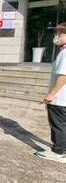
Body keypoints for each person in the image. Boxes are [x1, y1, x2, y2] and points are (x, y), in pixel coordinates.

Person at [35, 22, 66, 163]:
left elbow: (63, 76)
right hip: (61, 98)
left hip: (60, 98)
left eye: (60, 34)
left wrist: (50, 95)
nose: (57, 36)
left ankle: (58, 151)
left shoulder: (65, 53)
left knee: (58, 125)